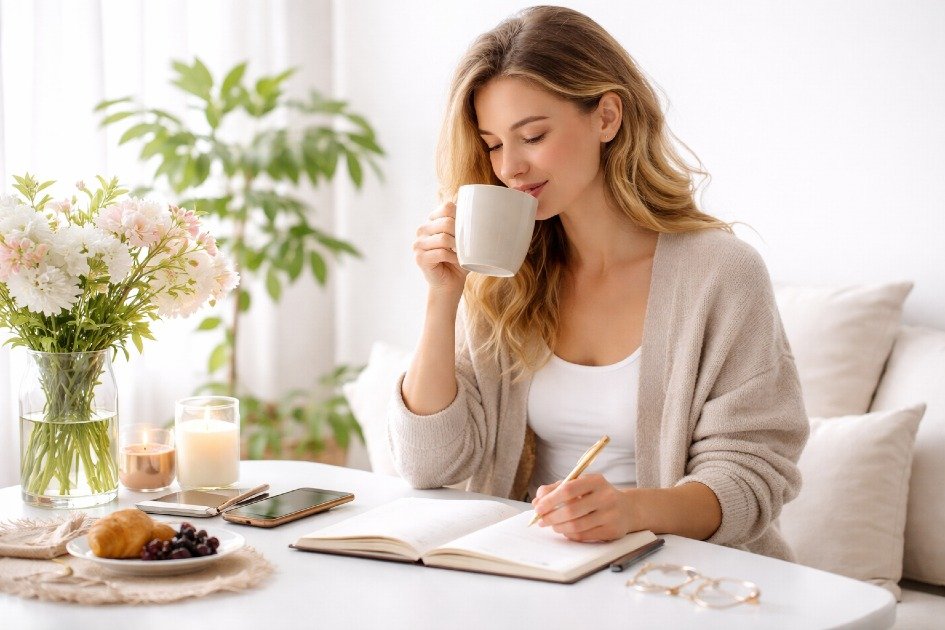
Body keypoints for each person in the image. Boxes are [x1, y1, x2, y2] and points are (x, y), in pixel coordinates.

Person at [389, 5, 809, 560]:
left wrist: (631, 511)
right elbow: (428, 465)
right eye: (492, 144)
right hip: (536, 571)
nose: (508, 167)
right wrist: (443, 298)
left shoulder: (721, 274)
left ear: (606, 117)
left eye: (532, 135)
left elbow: (753, 476)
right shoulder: (505, 275)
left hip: (682, 573)